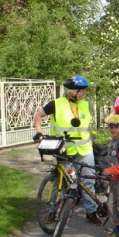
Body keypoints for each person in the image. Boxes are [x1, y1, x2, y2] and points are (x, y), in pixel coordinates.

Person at [33, 75, 100, 226]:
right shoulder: (56, 104)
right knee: (60, 181)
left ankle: (91, 212)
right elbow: (38, 115)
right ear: (73, 91)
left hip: (84, 148)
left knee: (88, 180)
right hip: (64, 149)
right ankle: (53, 211)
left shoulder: (84, 105)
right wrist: (39, 132)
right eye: (82, 91)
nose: (84, 94)